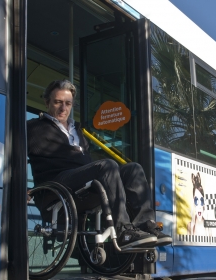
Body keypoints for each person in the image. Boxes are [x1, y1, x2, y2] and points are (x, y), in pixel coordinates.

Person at [27, 79, 172, 250]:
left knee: (133, 169)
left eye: (68, 103)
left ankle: (145, 225)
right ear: (47, 102)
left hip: (83, 182)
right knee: (106, 166)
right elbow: (15, 153)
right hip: (59, 181)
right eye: (58, 102)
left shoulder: (77, 130)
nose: (63, 108)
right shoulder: (34, 127)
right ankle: (123, 229)